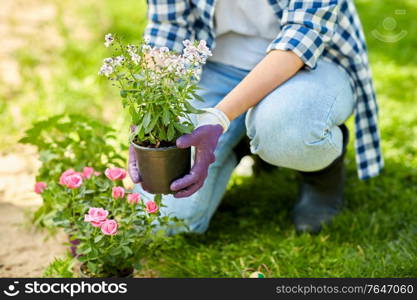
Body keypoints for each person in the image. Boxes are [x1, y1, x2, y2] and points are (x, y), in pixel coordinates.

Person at [129, 0, 383, 234]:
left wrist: (219, 117)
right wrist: (150, 112)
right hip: (216, 64)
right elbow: (168, 27)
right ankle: (242, 141)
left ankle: (322, 174)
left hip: (311, 63)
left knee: (292, 128)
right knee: (167, 221)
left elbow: (302, 32)